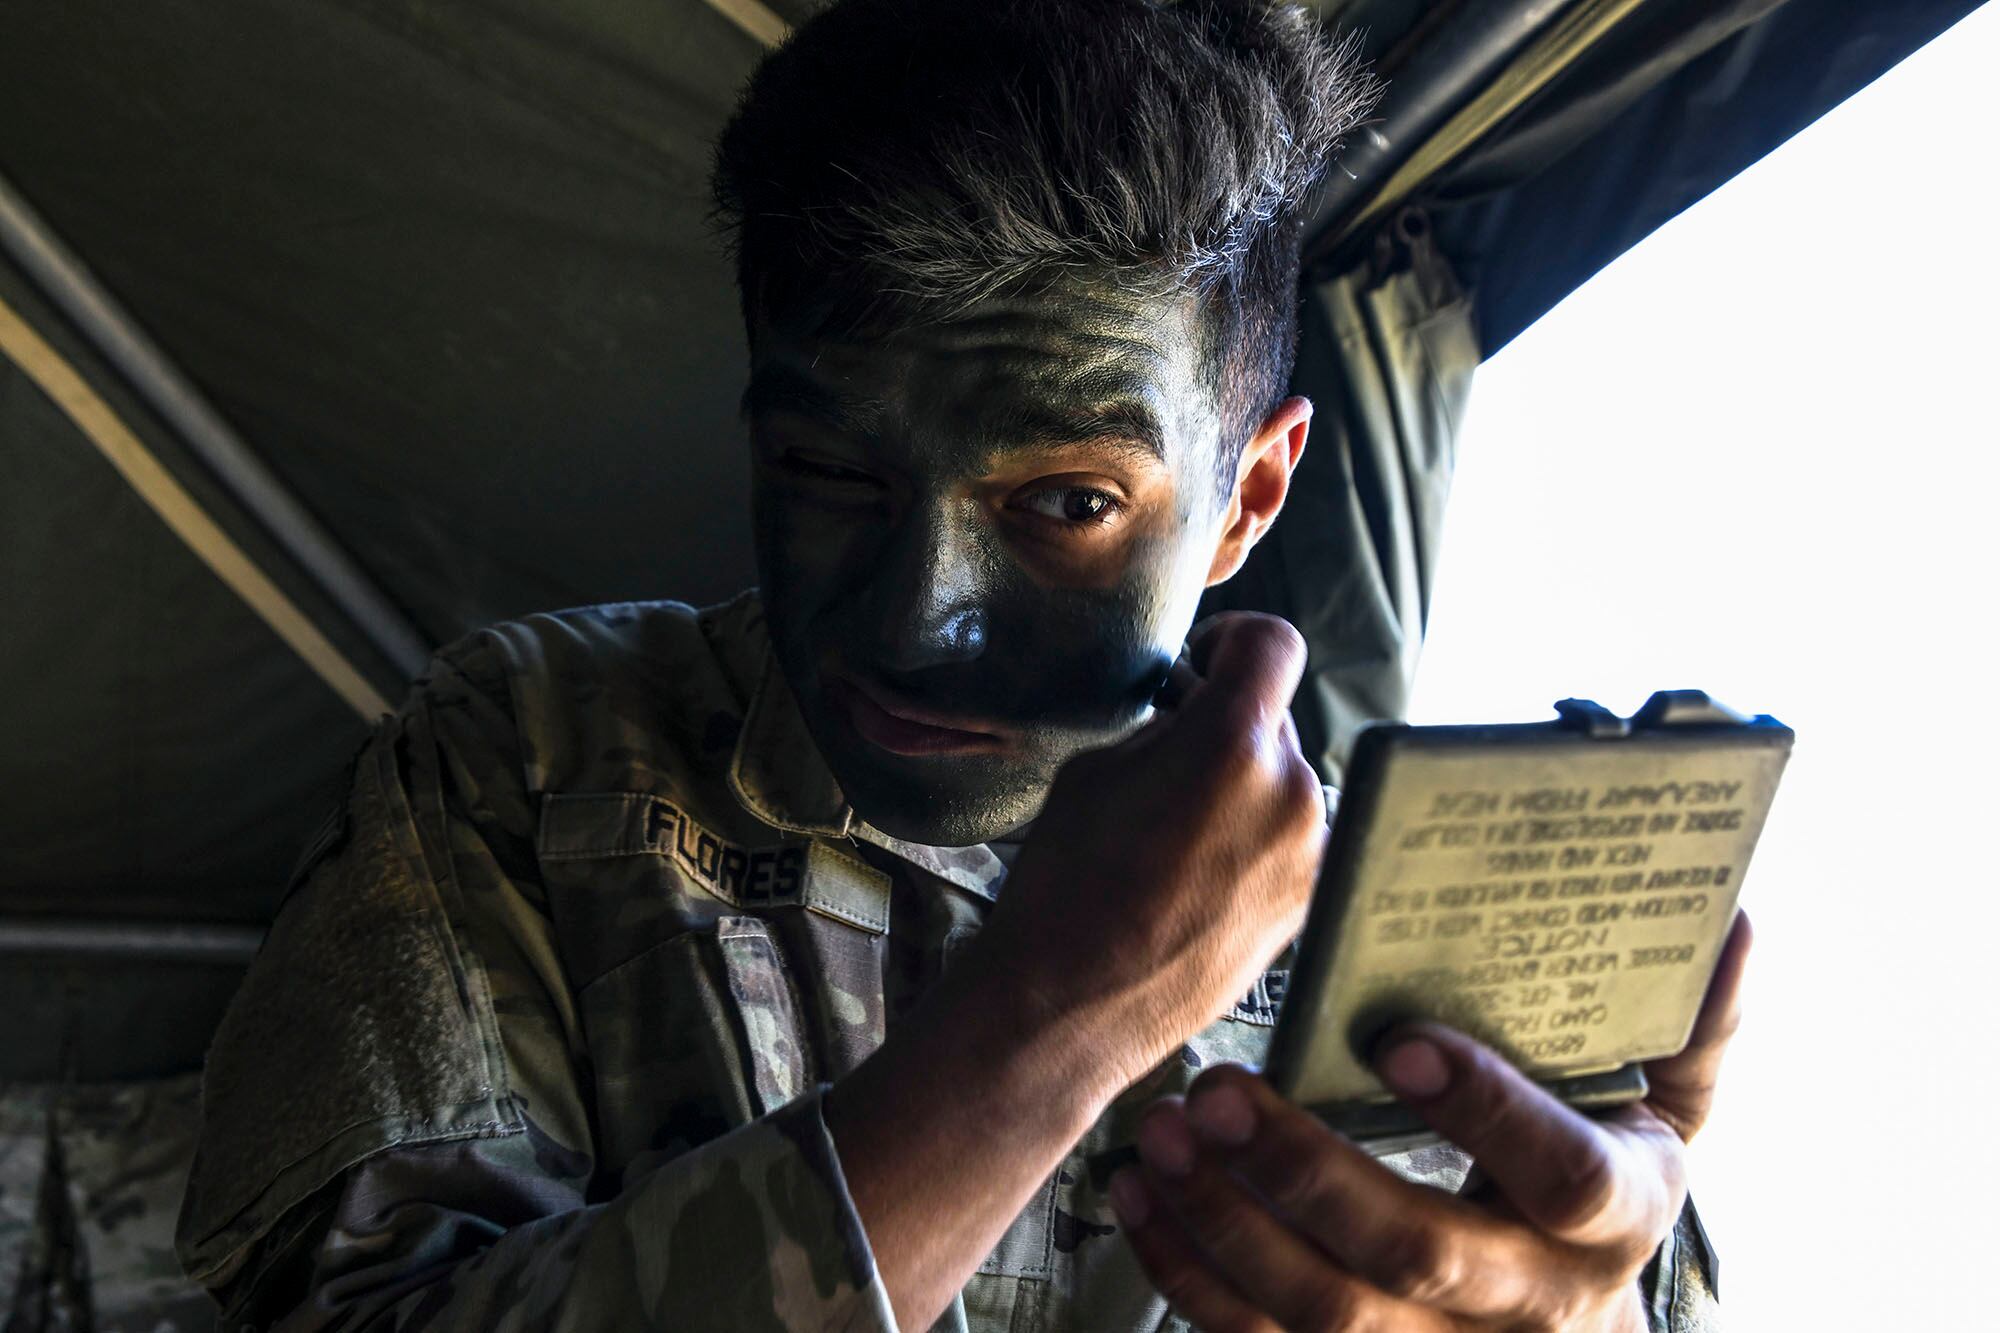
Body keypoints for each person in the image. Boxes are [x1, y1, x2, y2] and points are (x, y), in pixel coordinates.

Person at [176, 1, 1737, 1327]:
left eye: (1066, 504)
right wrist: (1054, 1018)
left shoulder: (1403, 938)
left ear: (1250, 498)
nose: (919, 616)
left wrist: (1610, 1286)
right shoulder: (533, 756)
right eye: (829, 472)